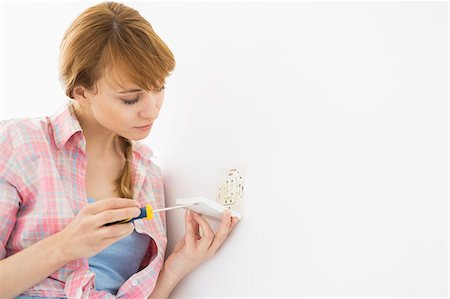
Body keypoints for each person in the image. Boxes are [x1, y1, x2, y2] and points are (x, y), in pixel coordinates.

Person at [0, 2, 239, 298]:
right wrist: (67, 245)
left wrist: (175, 268)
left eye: (159, 87)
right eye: (130, 99)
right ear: (81, 92)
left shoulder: (148, 175)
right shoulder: (18, 144)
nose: (152, 111)